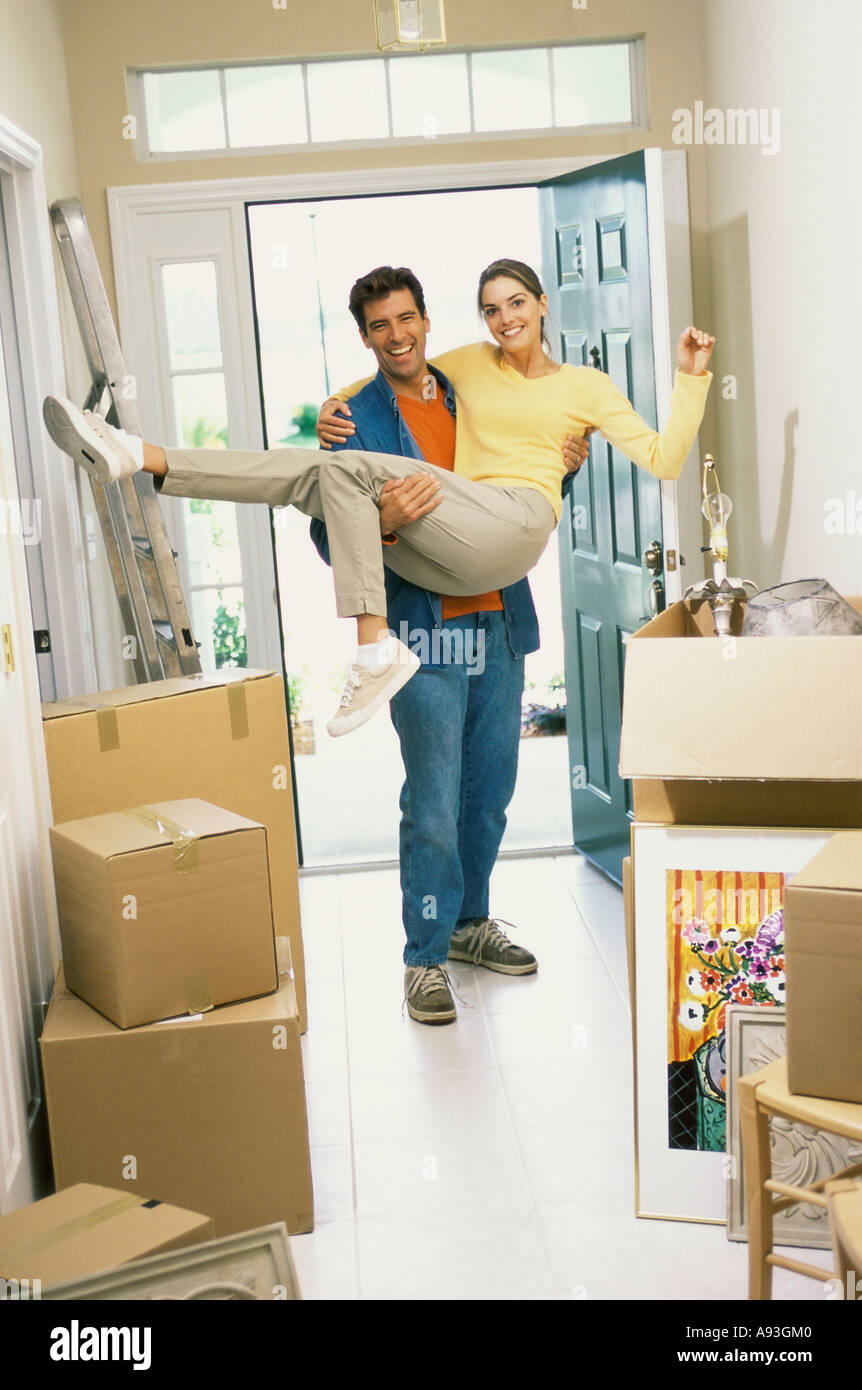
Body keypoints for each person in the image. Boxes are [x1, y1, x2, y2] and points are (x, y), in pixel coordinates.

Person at [42, 259, 714, 739]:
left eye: (516, 303)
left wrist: (691, 378)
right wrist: (337, 404)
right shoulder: (472, 363)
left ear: (542, 304)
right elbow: (398, 366)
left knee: (338, 472)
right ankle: (141, 457)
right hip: (450, 552)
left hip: (515, 528)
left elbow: (664, 458)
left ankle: (371, 644)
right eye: (491, 309)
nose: (505, 318)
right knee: (322, 476)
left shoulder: (586, 386)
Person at [309, 264, 589, 1025]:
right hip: (424, 633)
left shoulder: (478, 394)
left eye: (407, 319)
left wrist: (562, 469)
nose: (397, 335)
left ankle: (470, 925)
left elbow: (525, 484)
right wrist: (384, 522)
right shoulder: (352, 420)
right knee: (433, 802)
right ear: (365, 337)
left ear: (427, 321)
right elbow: (328, 537)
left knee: (489, 796)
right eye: (380, 326)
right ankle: (425, 957)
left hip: (499, 622)